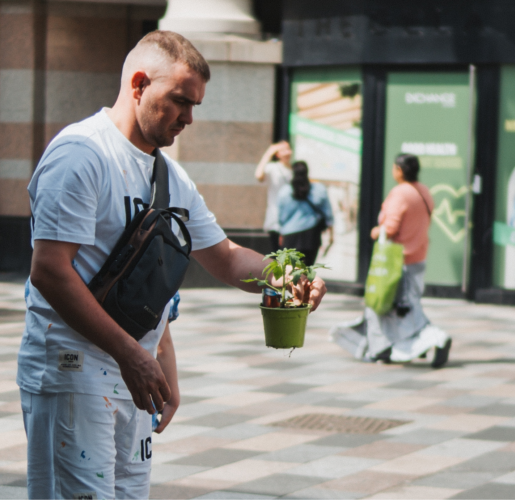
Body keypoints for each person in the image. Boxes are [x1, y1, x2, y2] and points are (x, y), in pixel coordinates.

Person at [19, 31, 328, 499]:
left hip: (132, 375)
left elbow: (223, 258)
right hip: (73, 369)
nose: (188, 118)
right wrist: (132, 356)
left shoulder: (170, 175)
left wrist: (287, 276)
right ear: (139, 84)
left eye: (195, 106)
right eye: (180, 101)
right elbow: (49, 271)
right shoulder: (82, 154)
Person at [330, 153, 451, 367]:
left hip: (395, 261)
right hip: (418, 257)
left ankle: (424, 341)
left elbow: (391, 227)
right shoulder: (423, 191)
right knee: (404, 306)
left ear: (399, 170)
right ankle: (391, 348)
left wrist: (376, 231)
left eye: (395, 167)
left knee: (378, 305)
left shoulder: (400, 193)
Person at [277, 161, 334, 265]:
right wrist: (331, 234)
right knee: (307, 272)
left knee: (289, 273)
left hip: (290, 236)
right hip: (311, 236)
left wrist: (281, 233)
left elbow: (281, 218)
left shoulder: (284, 192)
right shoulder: (319, 189)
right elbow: (328, 213)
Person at [254, 140, 293, 251]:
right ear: (277, 154)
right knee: (278, 254)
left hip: (293, 219)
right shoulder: (273, 167)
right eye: (283, 150)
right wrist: (268, 153)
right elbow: (258, 175)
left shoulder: (294, 169)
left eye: (288, 149)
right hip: (275, 217)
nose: (288, 152)